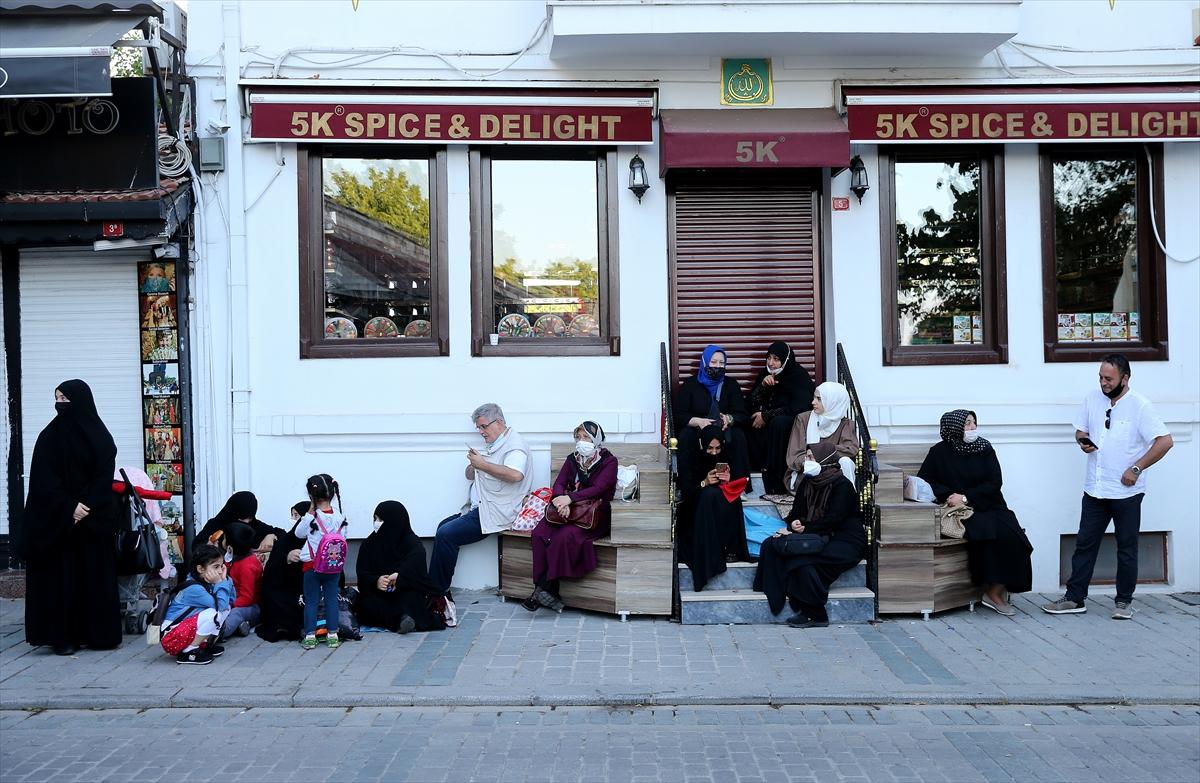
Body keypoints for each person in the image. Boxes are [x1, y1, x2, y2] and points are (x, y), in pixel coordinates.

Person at [1044, 354, 1173, 619]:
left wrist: (1136, 468)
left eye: (1109, 378)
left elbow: (1164, 441)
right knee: (1084, 544)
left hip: (1126, 492)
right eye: (1101, 377)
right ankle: (1074, 598)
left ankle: (1123, 602)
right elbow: (1080, 430)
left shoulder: (1140, 405)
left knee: (1126, 547)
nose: (1103, 383)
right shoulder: (1092, 398)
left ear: (1125, 379)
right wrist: (1083, 441)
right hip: (1095, 488)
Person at [22, 379, 121, 655]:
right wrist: (69, 508)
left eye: (65, 398)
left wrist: (86, 505)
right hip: (61, 525)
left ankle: (97, 634)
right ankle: (63, 638)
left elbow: (103, 474)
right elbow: (43, 481)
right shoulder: (49, 437)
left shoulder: (100, 437)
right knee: (62, 580)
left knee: (93, 577)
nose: (60, 404)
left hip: (92, 521)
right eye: (57, 398)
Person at [918, 410, 1034, 616]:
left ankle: (996, 589)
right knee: (987, 535)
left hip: (989, 503)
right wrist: (949, 495)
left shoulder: (984, 448)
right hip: (961, 511)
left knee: (1016, 538)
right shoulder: (939, 452)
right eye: (967, 424)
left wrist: (966, 496)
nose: (972, 428)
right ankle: (992, 593)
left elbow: (994, 482)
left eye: (973, 423)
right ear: (954, 428)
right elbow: (925, 480)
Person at [429, 403, 533, 626]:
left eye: (483, 427)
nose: (481, 432)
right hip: (481, 508)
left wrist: (483, 465)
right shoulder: (496, 444)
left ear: (499, 422)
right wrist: (475, 465)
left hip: (496, 512)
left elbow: (515, 475)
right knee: (442, 528)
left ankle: (437, 595)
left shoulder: (515, 446)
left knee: (447, 534)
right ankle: (439, 592)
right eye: (479, 428)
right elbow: (473, 474)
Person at [753, 440, 867, 628]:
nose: (807, 461)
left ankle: (816, 614)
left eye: (811, 457)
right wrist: (793, 524)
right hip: (817, 534)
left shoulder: (842, 486)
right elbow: (794, 513)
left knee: (801, 562)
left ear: (825, 459)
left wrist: (804, 529)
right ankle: (800, 605)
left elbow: (834, 519)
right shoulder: (808, 481)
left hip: (844, 540)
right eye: (806, 457)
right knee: (771, 545)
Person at [525, 421, 619, 613]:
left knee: (563, 537)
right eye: (578, 437)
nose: (581, 441)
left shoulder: (609, 461)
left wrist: (570, 499)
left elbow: (599, 488)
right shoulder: (572, 459)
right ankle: (547, 592)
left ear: (596, 439)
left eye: (586, 437)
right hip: (565, 511)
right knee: (539, 534)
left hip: (593, 515)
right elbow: (559, 483)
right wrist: (561, 501)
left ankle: (541, 589)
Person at [354, 501, 447, 634]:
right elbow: (362, 575)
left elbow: (417, 571)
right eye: (375, 519)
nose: (376, 523)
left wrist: (400, 576)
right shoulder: (369, 544)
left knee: (410, 599)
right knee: (366, 605)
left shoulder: (412, 543)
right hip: (379, 594)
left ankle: (402, 620)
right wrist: (376, 581)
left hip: (404, 591)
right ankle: (402, 620)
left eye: (380, 519)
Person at [677, 424, 750, 592]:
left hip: (719, 503)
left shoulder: (727, 457)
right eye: (710, 448)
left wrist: (727, 481)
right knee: (709, 495)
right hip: (695, 507)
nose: (714, 452)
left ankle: (729, 547)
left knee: (731, 498)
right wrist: (704, 482)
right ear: (703, 445)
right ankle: (710, 550)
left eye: (718, 448)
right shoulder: (693, 458)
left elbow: (738, 484)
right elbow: (687, 492)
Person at [674, 345, 753, 495]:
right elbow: (679, 415)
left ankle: (739, 487)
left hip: (723, 431)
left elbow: (743, 414)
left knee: (738, 435)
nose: (718, 366)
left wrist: (729, 419)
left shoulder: (731, 385)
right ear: (704, 362)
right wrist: (698, 421)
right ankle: (686, 487)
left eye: (721, 363)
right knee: (685, 436)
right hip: (699, 432)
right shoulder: (691, 385)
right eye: (714, 362)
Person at [745, 342, 815, 498]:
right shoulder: (765, 374)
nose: (771, 363)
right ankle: (756, 468)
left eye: (776, 359)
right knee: (745, 422)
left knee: (779, 423)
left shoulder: (798, 376)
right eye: (768, 358)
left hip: (790, 423)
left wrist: (767, 416)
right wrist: (762, 386)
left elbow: (799, 406)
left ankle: (776, 479)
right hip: (766, 422)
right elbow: (751, 402)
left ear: (786, 359)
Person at [294, 474, 348, 650]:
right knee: (332, 600)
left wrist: (309, 513)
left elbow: (299, 534)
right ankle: (333, 634)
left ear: (311, 496)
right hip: (333, 566)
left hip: (312, 565)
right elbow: (343, 538)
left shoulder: (312, 518)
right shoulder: (340, 516)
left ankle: (310, 635)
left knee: (312, 601)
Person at [160, 544, 235, 665]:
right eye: (216, 567)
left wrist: (226, 579)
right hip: (171, 638)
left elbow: (229, 600)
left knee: (225, 609)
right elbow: (221, 605)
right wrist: (220, 582)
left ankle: (206, 645)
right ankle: (188, 652)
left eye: (222, 566)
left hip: (180, 631)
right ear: (200, 569)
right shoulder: (195, 589)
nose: (220, 571)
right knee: (215, 613)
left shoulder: (206, 581)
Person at [783, 381, 859, 496]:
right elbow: (794, 457)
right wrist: (812, 459)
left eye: (819, 399)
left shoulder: (845, 424)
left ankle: (848, 498)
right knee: (813, 468)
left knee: (846, 462)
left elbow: (850, 449)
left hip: (833, 472)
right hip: (806, 472)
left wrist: (819, 452)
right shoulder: (803, 420)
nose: (813, 402)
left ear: (833, 402)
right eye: (814, 397)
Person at [255, 502, 309, 642]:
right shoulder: (285, 542)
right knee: (278, 600)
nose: (293, 519)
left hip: (309, 588)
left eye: (297, 516)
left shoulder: (317, 540)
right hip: (285, 589)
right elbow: (271, 575)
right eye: (292, 515)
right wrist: (287, 559)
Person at [195, 491, 283, 553]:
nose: (246, 522)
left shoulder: (255, 524)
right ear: (233, 512)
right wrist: (209, 547)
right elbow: (196, 546)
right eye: (242, 518)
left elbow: (284, 535)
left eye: (250, 518)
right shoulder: (216, 525)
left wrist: (271, 536)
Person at [220, 522, 263, 638]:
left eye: (224, 538)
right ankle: (241, 626)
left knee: (236, 613)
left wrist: (228, 605)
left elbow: (247, 598)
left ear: (230, 546)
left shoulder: (247, 566)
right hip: (232, 601)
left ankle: (220, 633)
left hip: (250, 607)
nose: (222, 540)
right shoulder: (233, 558)